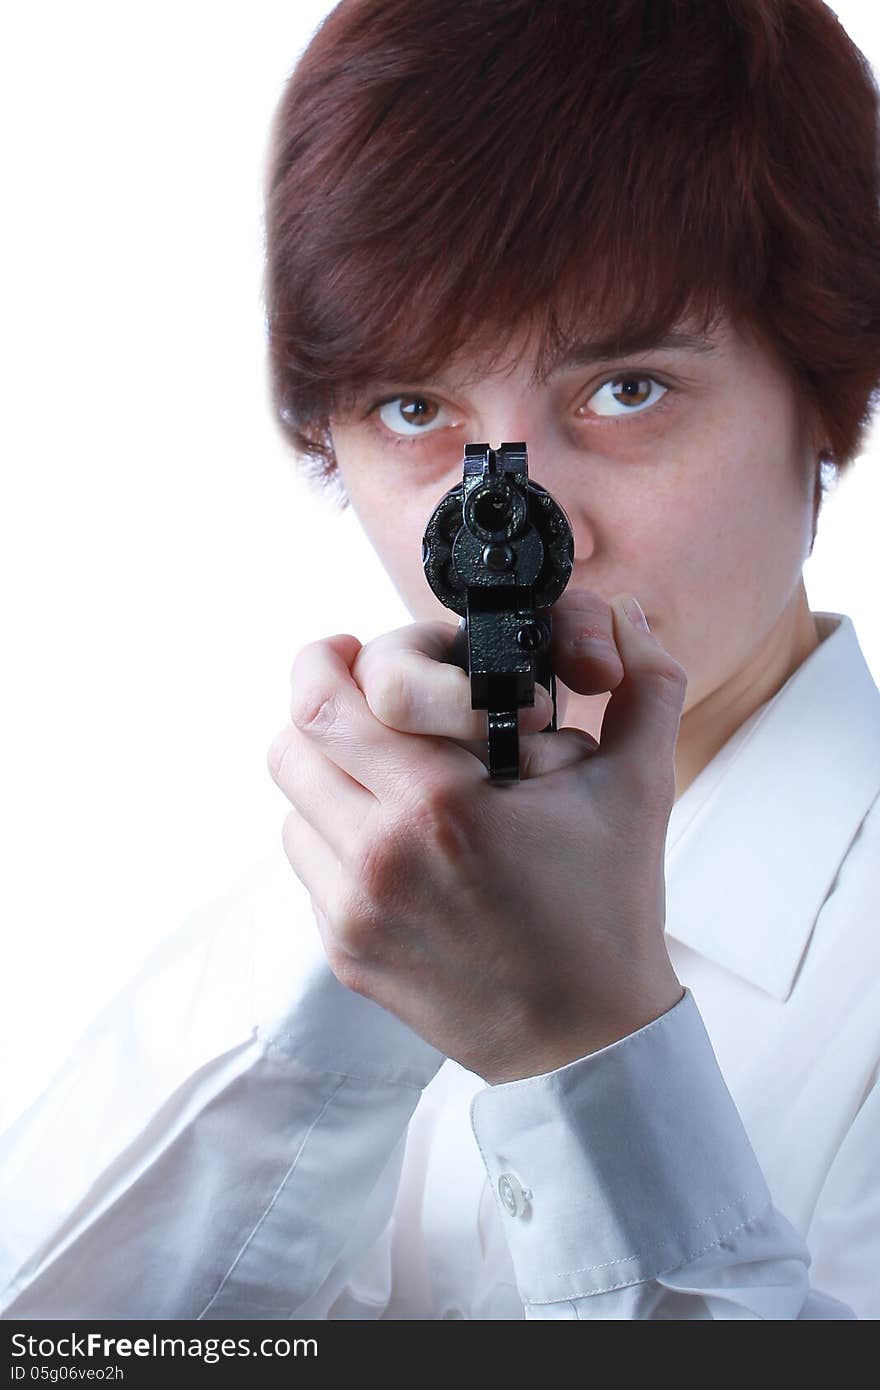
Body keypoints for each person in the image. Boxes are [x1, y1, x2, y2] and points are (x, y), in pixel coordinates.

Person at [2, 0, 880, 1320]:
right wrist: (346, 991)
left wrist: (582, 1048)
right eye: (418, 410)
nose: (524, 529)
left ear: (828, 387)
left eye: (625, 389)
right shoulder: (320, 894)